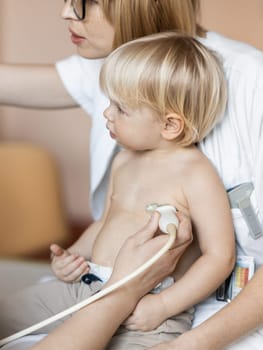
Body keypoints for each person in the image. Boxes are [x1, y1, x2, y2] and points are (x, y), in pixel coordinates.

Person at [1, 1, 263, 348]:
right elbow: (108, 221)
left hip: (155, 305)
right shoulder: (126, 157)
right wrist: (73, 257)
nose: (106, 113)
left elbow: (219, 256)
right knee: (6, 316)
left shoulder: (197, 173)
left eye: (119, 108)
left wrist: (164, 305)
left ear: (170, 124)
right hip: (92, 286)